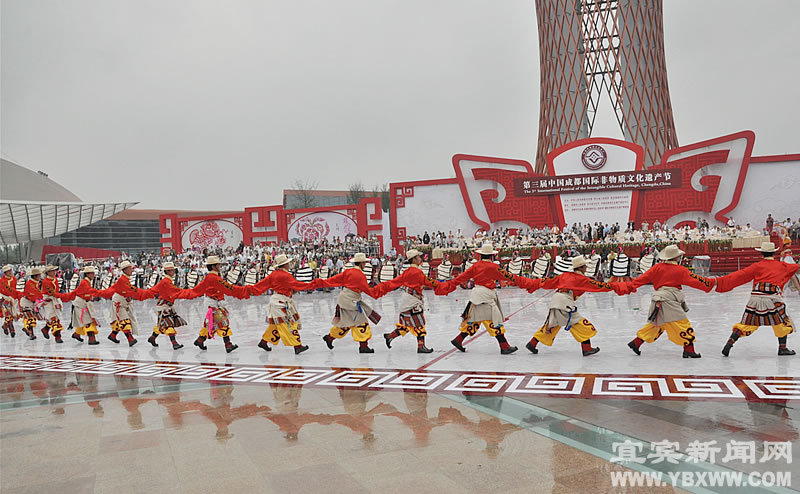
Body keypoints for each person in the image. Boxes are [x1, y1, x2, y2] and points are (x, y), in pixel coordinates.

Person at [521, 256, 629, 357]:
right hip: (565, 302)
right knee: (580, 324)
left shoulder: (564, 275)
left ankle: (532, 343)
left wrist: (533, 285)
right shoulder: (582, 279)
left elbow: (548, 282)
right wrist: (616, 286)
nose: (586, 267)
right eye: (585, 266)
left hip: (556, 299)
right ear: (581, 267)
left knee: (553, 324)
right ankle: (586, 348)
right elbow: (600, 286)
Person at [624, 245, 715, 358]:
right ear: (676, 257)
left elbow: (641, 279)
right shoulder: (680, 270)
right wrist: (711, 284)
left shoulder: (656, 268)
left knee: (657, 325)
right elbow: (696, 281)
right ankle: (689, 350)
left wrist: (629, 287)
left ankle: (636, 343)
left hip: (658, 299)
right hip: (669, 300)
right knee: (683, 324)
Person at [438, 243, 524, 355]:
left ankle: (458, 340)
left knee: (474, 321)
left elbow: (461, 277)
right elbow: (507, 276)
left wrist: (449, 285)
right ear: (492, 256)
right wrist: (523, 282)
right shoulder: (494, 267)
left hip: (477, 296)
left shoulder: (475, 266)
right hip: (487, 297)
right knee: (494, 321)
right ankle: (504, 346)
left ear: (481, 255)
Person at [716, 242, 798, 356]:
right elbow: (794, 267)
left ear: (761, 253)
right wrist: (786, 256)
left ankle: (729, 343)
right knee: (782, 322)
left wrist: (721, 282)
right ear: (774, 252)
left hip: (755, 297)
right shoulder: (782, 266)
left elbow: (740, 275)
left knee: (747, 323)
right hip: (772, 298)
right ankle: (782, 348)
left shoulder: (756, 266)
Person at [374, 249, 447, 353]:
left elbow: (394, 283)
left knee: (406, 324)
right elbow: (429, 282)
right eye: (418, 257)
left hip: (406, 300)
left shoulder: (406, 272)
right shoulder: (418, 272)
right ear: (414, 259)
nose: (420, 259)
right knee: (419, 323)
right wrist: (443, 286)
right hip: (414, 302)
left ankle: (389, 336)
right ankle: (421, 347)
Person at [249, 254, 317, 354]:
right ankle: (297, 346)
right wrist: (310, 285)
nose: (289, 265)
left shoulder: (274, 274)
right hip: (282, 302)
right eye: (288, 263)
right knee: (289, 323)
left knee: (276, 324)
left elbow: (262, 284)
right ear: (285, 264)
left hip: (276, 300)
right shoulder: (286, 275)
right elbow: (297, 285)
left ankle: (264, 342)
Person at [316, 253, 382, 353]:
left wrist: (321, 283)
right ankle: (363, 346)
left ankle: (329, 338)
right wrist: (380, 291)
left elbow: (334, 280)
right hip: (352, 302)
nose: (365, 264)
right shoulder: (360, 276)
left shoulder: (348, 272)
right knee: (361, 323)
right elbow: (368, 290)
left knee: (346, 323)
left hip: (344, 300)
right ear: (361, 263)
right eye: (364, 263)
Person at [189, 256, 250, 353]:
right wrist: (242, 292)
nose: (220, 265)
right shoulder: (214, 277)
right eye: (218, 264)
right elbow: (226, 288)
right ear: (213, 266)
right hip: (213, 303)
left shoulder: (212, 276)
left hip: (212, 303)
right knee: (223, 322)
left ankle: (200, 340)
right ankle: (228, 345)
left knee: (211, 324)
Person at [98, 260, 151, 346]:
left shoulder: (126, 279)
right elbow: (132, 290)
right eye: (130, 268)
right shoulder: (123, 280)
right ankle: (130, 339)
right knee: (124, 320)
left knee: (121, 320)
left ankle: (113, 335)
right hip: (119, 302)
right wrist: (144, 294)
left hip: (124, 302)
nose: (132, 270)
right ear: (125, 270)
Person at [147, 262, 192, 350]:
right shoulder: (166, 282)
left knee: (162, 324)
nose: (174, 271)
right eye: (172, 270)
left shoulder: (168, 280)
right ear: (167, 271)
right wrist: (189, 293)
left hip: (167, 305)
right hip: (164, 306)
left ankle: (152, 338)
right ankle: (174, 343)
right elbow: (175, 291)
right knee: (169, 324)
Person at [65, 266, 103, 345]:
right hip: (81, 304)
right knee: (88, 321)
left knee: (85, 320)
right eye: (92, 273)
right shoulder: (84, 283)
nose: (93, 275)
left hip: (82, 304)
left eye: (93, 273)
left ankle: (77, 334)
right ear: (87, 274)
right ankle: (91, 339)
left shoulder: (87, 282)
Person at [40, 266, 72, 343]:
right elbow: (51, 292)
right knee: (53, 318)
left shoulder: (55, 279)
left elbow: (56, 291)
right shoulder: (45, 281)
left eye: (54, 270)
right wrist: (63, 296)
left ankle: (45, 329)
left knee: (57, 317)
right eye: (52, 271)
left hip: (55, 299)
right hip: (49, 300)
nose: (54, 272)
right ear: (48, 272)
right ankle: (57, 336)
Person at [19, 267, 44, 340]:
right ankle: (31, 333)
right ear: (35, 276)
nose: (40, 276)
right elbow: (34, 294)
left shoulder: (37, 283)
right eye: (39, 275)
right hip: (26, 302)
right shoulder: (29, 284)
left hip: (33, 303)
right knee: (30, 318)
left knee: (32, 318)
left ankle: (27, 329)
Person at [1, 265, 19, 337]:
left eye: (10, 271)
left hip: (12, 298)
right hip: (5, 298)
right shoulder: (2, 281)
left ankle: (5, 325)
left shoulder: (14, 279)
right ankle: (12, 329)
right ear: (5, 272)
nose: (10, 272)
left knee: (12, 313)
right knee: (8, 313)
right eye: (8, 271)